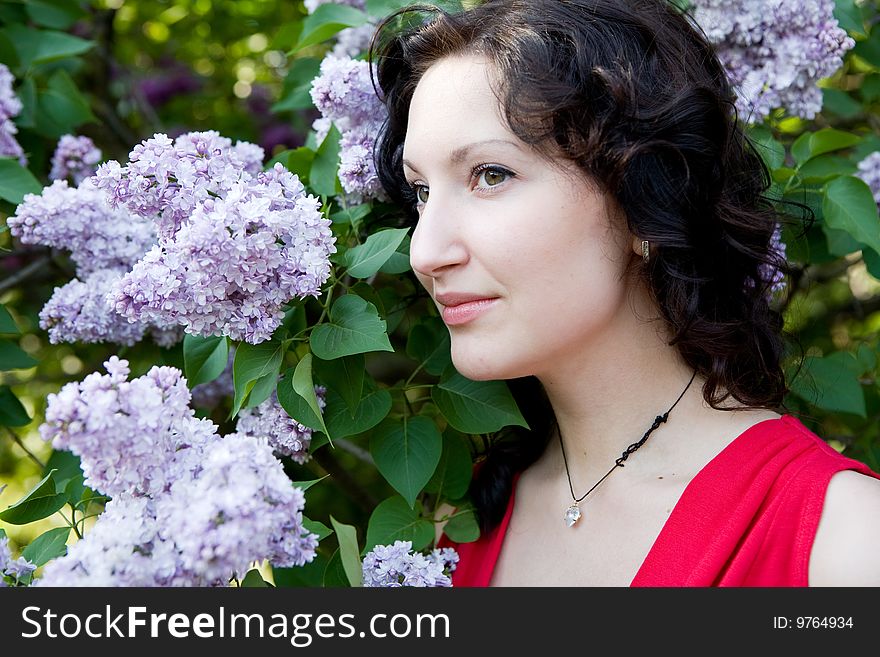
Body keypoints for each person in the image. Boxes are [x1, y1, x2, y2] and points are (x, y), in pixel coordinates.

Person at [371, 0, 880, 586]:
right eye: (421, 192)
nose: (426, 252)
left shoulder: (838, 542)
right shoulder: (451, 533)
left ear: (645, 199)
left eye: (491, 175)